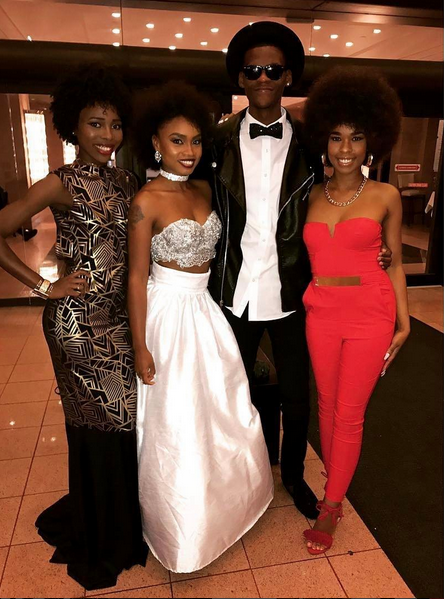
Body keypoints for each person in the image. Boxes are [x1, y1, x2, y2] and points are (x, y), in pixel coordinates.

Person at [209, 21, 393, 521]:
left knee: (297, 398)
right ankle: (241, 478)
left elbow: (341, 200)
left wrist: (374, 250)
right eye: (253, 70)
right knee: (231, 393)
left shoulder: (314, 142)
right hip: (233, 289)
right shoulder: (216, 142)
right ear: (240, 78)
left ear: (288, 76)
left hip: (294, 291)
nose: (263, 78)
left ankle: (293, 474)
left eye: (273, 69)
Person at [0, 64, 148, 590]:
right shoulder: (59, 182)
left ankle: (116, 524)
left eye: (114, 124)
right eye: (95, 124)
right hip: (78, 324)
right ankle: (101, 535)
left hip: (120, 321)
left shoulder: (128, 181)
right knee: (100, 423)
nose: (107, 136)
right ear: (73, 127)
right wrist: (45, 286)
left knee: (123, 420)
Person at [127, 81, 273, 574]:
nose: (188, 151)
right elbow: (136, 276)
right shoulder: (146, 199)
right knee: (177, 420)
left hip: (205, 312)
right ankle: (180, 529)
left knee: (223, 409)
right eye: (176, 141)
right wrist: (140, 345)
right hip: (167, 314)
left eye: (194, 141)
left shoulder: (205, 189)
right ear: (155, 142)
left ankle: (228, 506)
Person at [301, 66, 410, 554]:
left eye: (356, 137)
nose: (345, 148)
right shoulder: (310, 196)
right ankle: (336, 476)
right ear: (324, 141)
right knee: (326, 405)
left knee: (349, 413)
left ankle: (331, 506)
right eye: (336, 137)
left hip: (370, 312)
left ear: (372, 142)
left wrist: (404, 322)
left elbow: (395, 262)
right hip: (320, 312)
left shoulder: (386, 195)